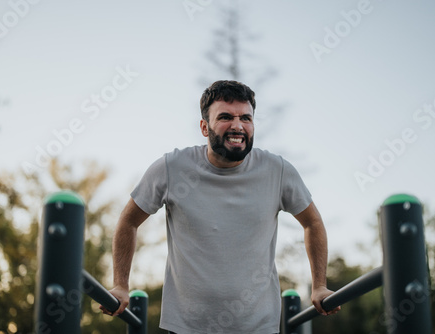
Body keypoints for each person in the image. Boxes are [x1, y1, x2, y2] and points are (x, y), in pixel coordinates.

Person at [100, 80, 340, 333]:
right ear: (204, 127)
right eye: (225, 117)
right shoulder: (172, 168)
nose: (238, 126)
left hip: (257, 327)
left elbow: (312, 222)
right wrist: (120, 284)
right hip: (187, 327)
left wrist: (319, 285)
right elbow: (129, 221)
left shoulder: (277, 171)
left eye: (246, 118)